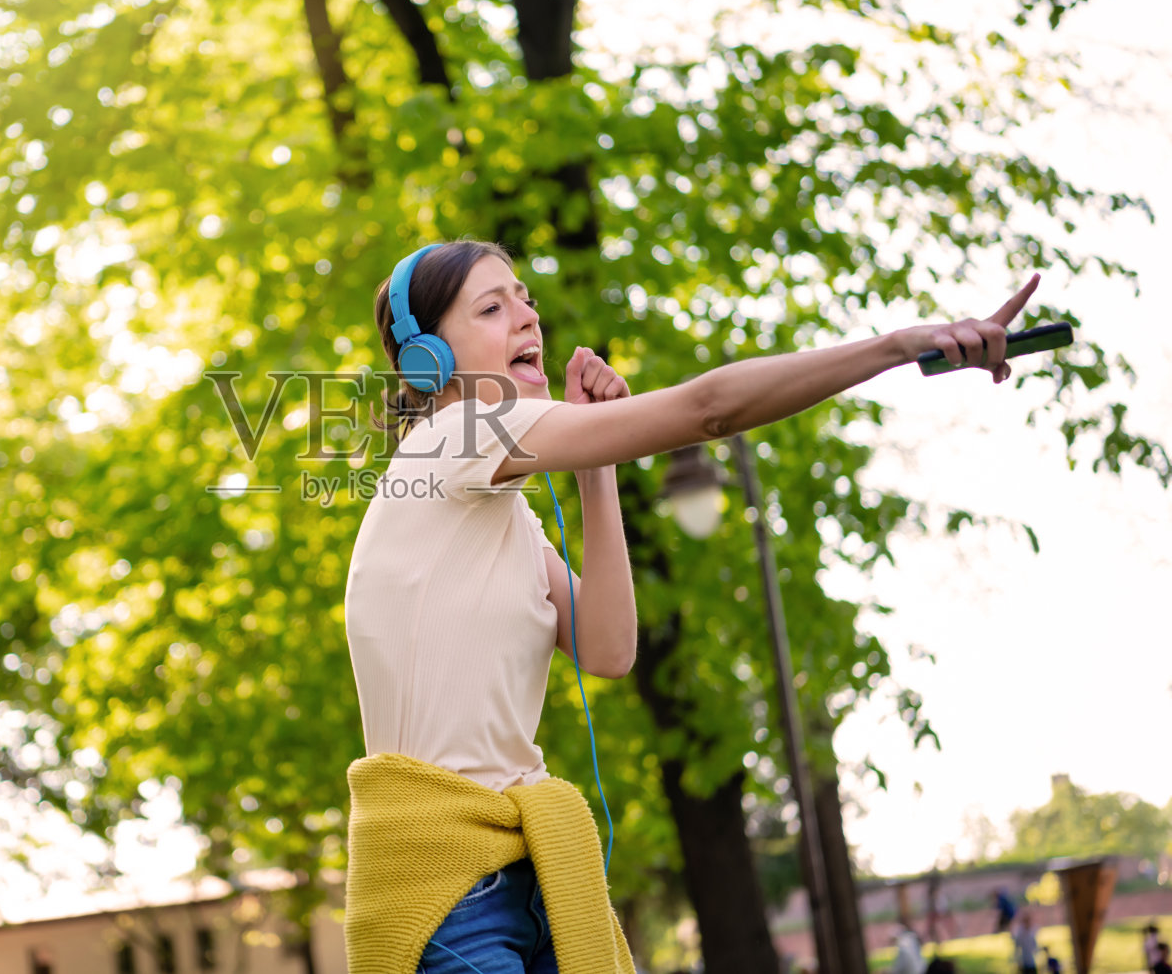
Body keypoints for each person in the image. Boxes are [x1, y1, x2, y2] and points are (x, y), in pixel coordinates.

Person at [342, 239, 1039, 974]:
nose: (527, 318)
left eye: (527, 299)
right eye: (492, 306)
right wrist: (900, 345)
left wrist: (596, 466)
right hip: (447, 890)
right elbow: (709, 410)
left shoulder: (504, 516)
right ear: (431, 364)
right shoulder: (453, 435)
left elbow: (608, 646)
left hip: (523, 878)